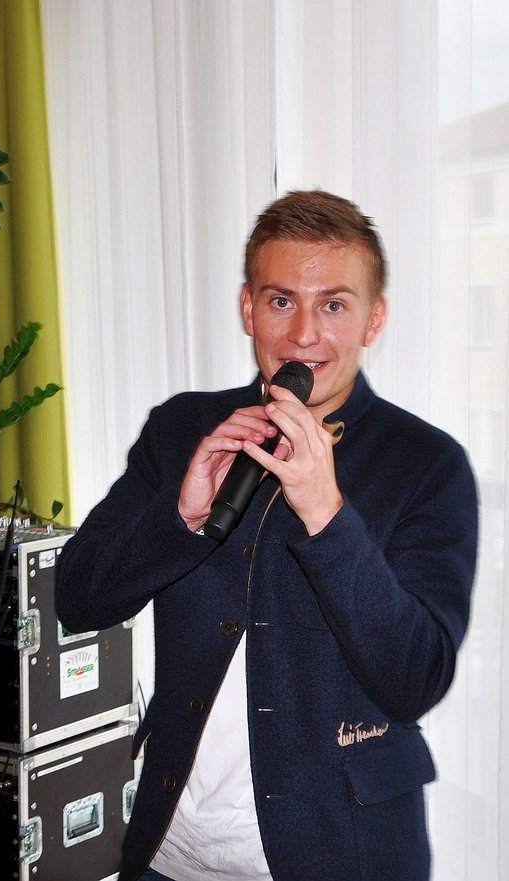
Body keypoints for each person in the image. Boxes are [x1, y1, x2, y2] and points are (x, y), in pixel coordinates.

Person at [55, 190, 477, 881]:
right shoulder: (181, 427)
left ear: (373, 319)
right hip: (170, 849)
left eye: (334, 305)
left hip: (341, 851)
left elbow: (416, 680)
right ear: (248, 308)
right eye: (281, 301)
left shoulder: (426, 463)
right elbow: (79, 597)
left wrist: (328, 516)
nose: (304, 335)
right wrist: (181, 518)